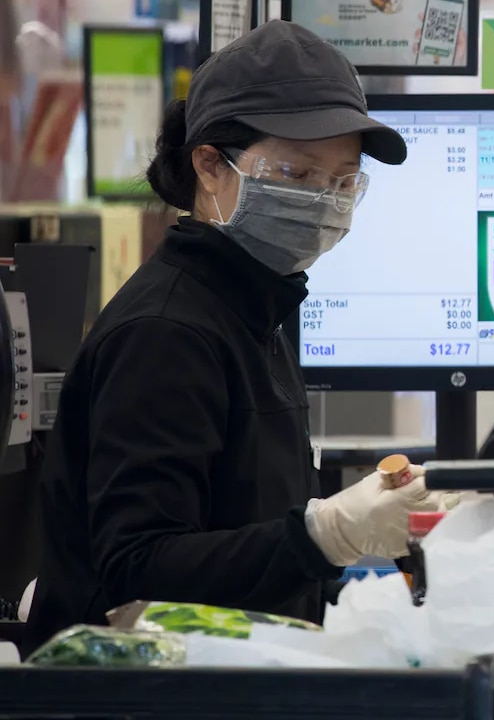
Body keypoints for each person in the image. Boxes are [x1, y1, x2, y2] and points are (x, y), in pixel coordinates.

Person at [23, 21, 443, 653]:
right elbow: (137, 570)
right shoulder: (164, 333)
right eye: (298, 174)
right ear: (211, 165)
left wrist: (355, 535)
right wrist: (324, 535)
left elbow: (241, 528)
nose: (324, 202)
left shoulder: (252, 307)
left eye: (342, 181)